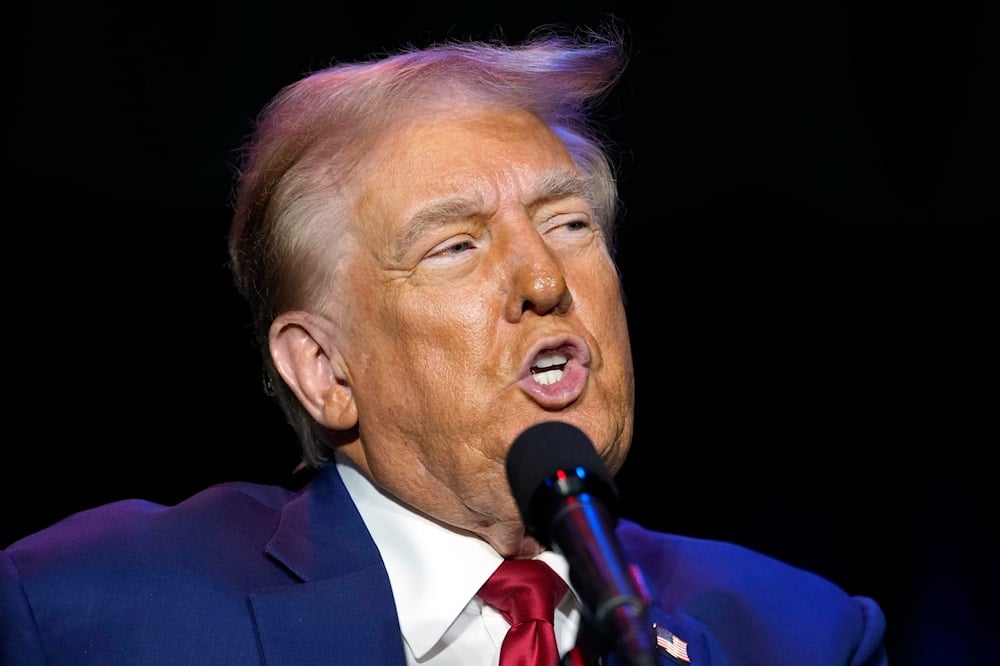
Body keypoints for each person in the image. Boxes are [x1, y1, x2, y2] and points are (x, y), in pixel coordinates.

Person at [0, 25, 888, 665]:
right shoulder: (91, 611)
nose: (545, 280)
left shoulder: (801, 636)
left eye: (569, 223)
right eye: (456, 245)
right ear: (324, 370)